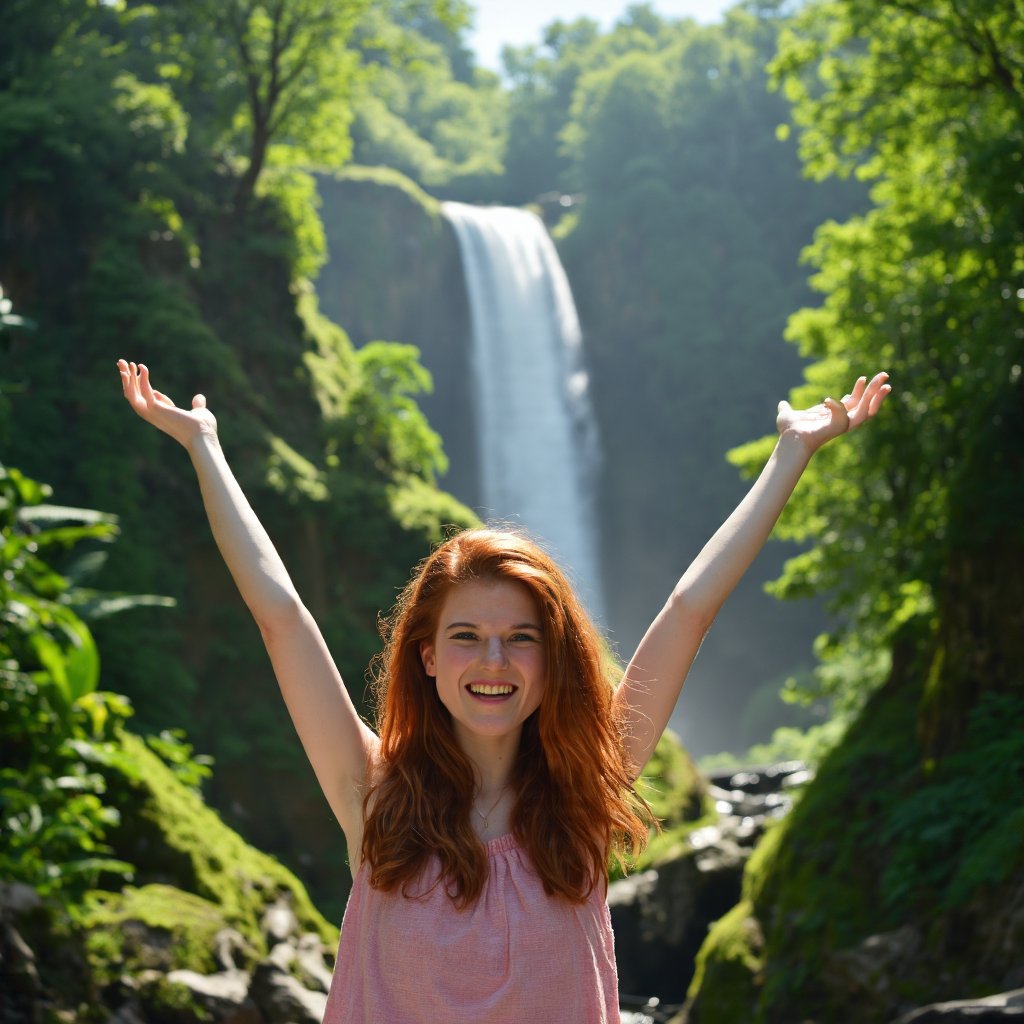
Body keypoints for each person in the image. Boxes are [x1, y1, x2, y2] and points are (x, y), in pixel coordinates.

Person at [117, 359, 890, 1022]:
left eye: (522, 639)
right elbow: (281, 616)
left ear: (553, 660)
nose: (495, 661)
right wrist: (204, 445)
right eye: (466, 637)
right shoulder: (376, 795)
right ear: (424, 657)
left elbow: (690, 609)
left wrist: (791, 455)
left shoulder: (584, 795)